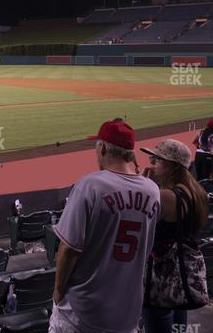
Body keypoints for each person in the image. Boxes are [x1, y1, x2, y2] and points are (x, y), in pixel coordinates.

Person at [49, 119, 161, 333]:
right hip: (127, 311)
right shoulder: (153, 190)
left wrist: (58, 291)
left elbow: (69, 249)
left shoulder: (90, 184)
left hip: (83, 310)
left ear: (103, 148)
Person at [140, 139, 209, 333]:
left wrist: (146, 186)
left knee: (157, 322)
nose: (151, 164)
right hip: (179, 276)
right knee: (178, 322)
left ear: (171, 166)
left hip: (161, 277)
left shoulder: (166, 196)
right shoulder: (195, 191)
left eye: (156, 160)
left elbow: (139, 224)